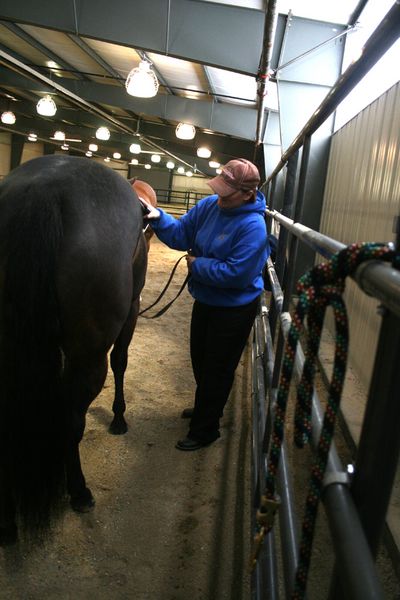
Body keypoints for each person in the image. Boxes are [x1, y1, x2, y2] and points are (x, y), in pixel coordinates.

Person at [140, 158, 270, 451]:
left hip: (234, 308)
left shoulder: (253, 227)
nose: (220, 196)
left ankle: (206, 429)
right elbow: (181, 233)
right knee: (200, 360)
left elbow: (237, 274)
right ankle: (207, 408)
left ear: (247, 193)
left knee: (217, 368)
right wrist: (158, 216)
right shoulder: (210, 206)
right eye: (219, 188)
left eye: (227, 192)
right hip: (207, 299)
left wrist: (198, 265)